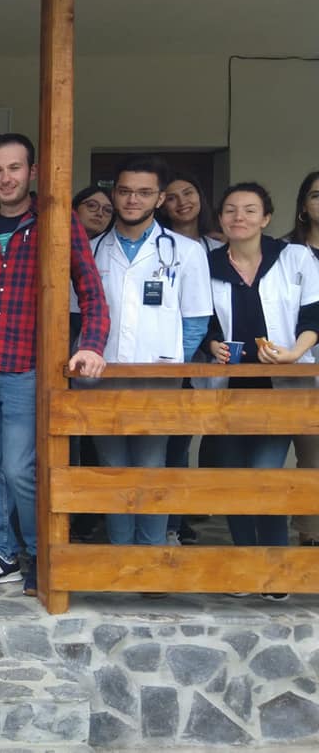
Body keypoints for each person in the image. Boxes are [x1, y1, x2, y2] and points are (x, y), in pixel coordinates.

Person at [0, 133, 109, 597]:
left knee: (20, 470)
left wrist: (92, 344)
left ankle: (39, 555)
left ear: (32, 172)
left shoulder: (57, 223)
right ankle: (4, 554)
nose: (6, 178)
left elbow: (91, 290)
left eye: (14, 168)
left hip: (27, 369)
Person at [88, 155, 212, 548]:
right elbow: (76, 318)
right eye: (125, 191)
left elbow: (196, 321)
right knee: (112, 468)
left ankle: (152, 552)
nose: (132, 200)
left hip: (158, 380)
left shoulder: (185, 251)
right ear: (114, 194)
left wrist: (170, 366)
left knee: (151, 467)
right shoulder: (90, 250)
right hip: (102, 377)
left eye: (144, 193)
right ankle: (121, 554)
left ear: (159, 199)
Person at [205, 182, 319, 598]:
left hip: (280, 385)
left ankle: (273, 568)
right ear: (221, 219)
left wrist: (295, 353)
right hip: (231, 385)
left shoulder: (294, 257)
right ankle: (244, 564)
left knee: (266, 475)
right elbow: (201, 319)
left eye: (250, 210)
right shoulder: (208, 263)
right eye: (231, 210)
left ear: (266, 218)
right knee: (235, 478)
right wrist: (211, 344)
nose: (239, 217)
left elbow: (313, 315)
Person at [155, 171, 222, 545]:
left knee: (181, 445)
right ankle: (162, 524)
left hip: (206, 358)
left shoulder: (218, 247)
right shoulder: (157, 244)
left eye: (189, 192)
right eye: (173, 196)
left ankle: (174, 521)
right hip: (166, 362)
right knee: (161, 447)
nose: (182, 202)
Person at [287, 170, 319, 547]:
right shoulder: (284, 253)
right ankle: (311, 534)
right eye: (316, 195)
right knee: (312, 457)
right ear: (303, 206)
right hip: (303, 366)